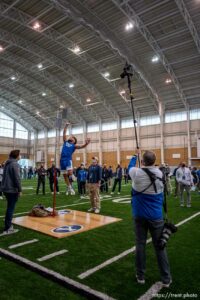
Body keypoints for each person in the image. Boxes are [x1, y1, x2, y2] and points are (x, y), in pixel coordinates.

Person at [128, 149, 172, 287]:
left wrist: (135, 155)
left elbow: (130, 167)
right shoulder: (160, 173)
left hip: (139, 215)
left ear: (142, 161)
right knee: (160, 247)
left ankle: (140, 276)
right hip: (156, 217)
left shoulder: (136, 172)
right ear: (154, 161)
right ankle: (166, 278)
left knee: (140, 245)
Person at [60, 123, 90, 195]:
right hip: (62, 160)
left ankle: (74, 177)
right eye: (70, 137)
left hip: (68, 159)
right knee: (64, 176)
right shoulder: (65, 142)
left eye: (72, 137)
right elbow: (64, 133)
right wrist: (66, 126)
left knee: (70, 173)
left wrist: (86, 143)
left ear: (74, 141)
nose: (70, 137)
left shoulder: (74, 145)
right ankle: (69, 187)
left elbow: (82, 146)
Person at [1, 150, 21, 234]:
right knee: (10, 208)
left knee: (9, 207)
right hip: (12, 189)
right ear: (16, 156)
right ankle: (8, 227)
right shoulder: (14, 164)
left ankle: (7, 225)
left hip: (5, 188)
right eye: (20, 155)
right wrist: (19, 189)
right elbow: (16, 178)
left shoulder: (7, 163)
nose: (20, 156)